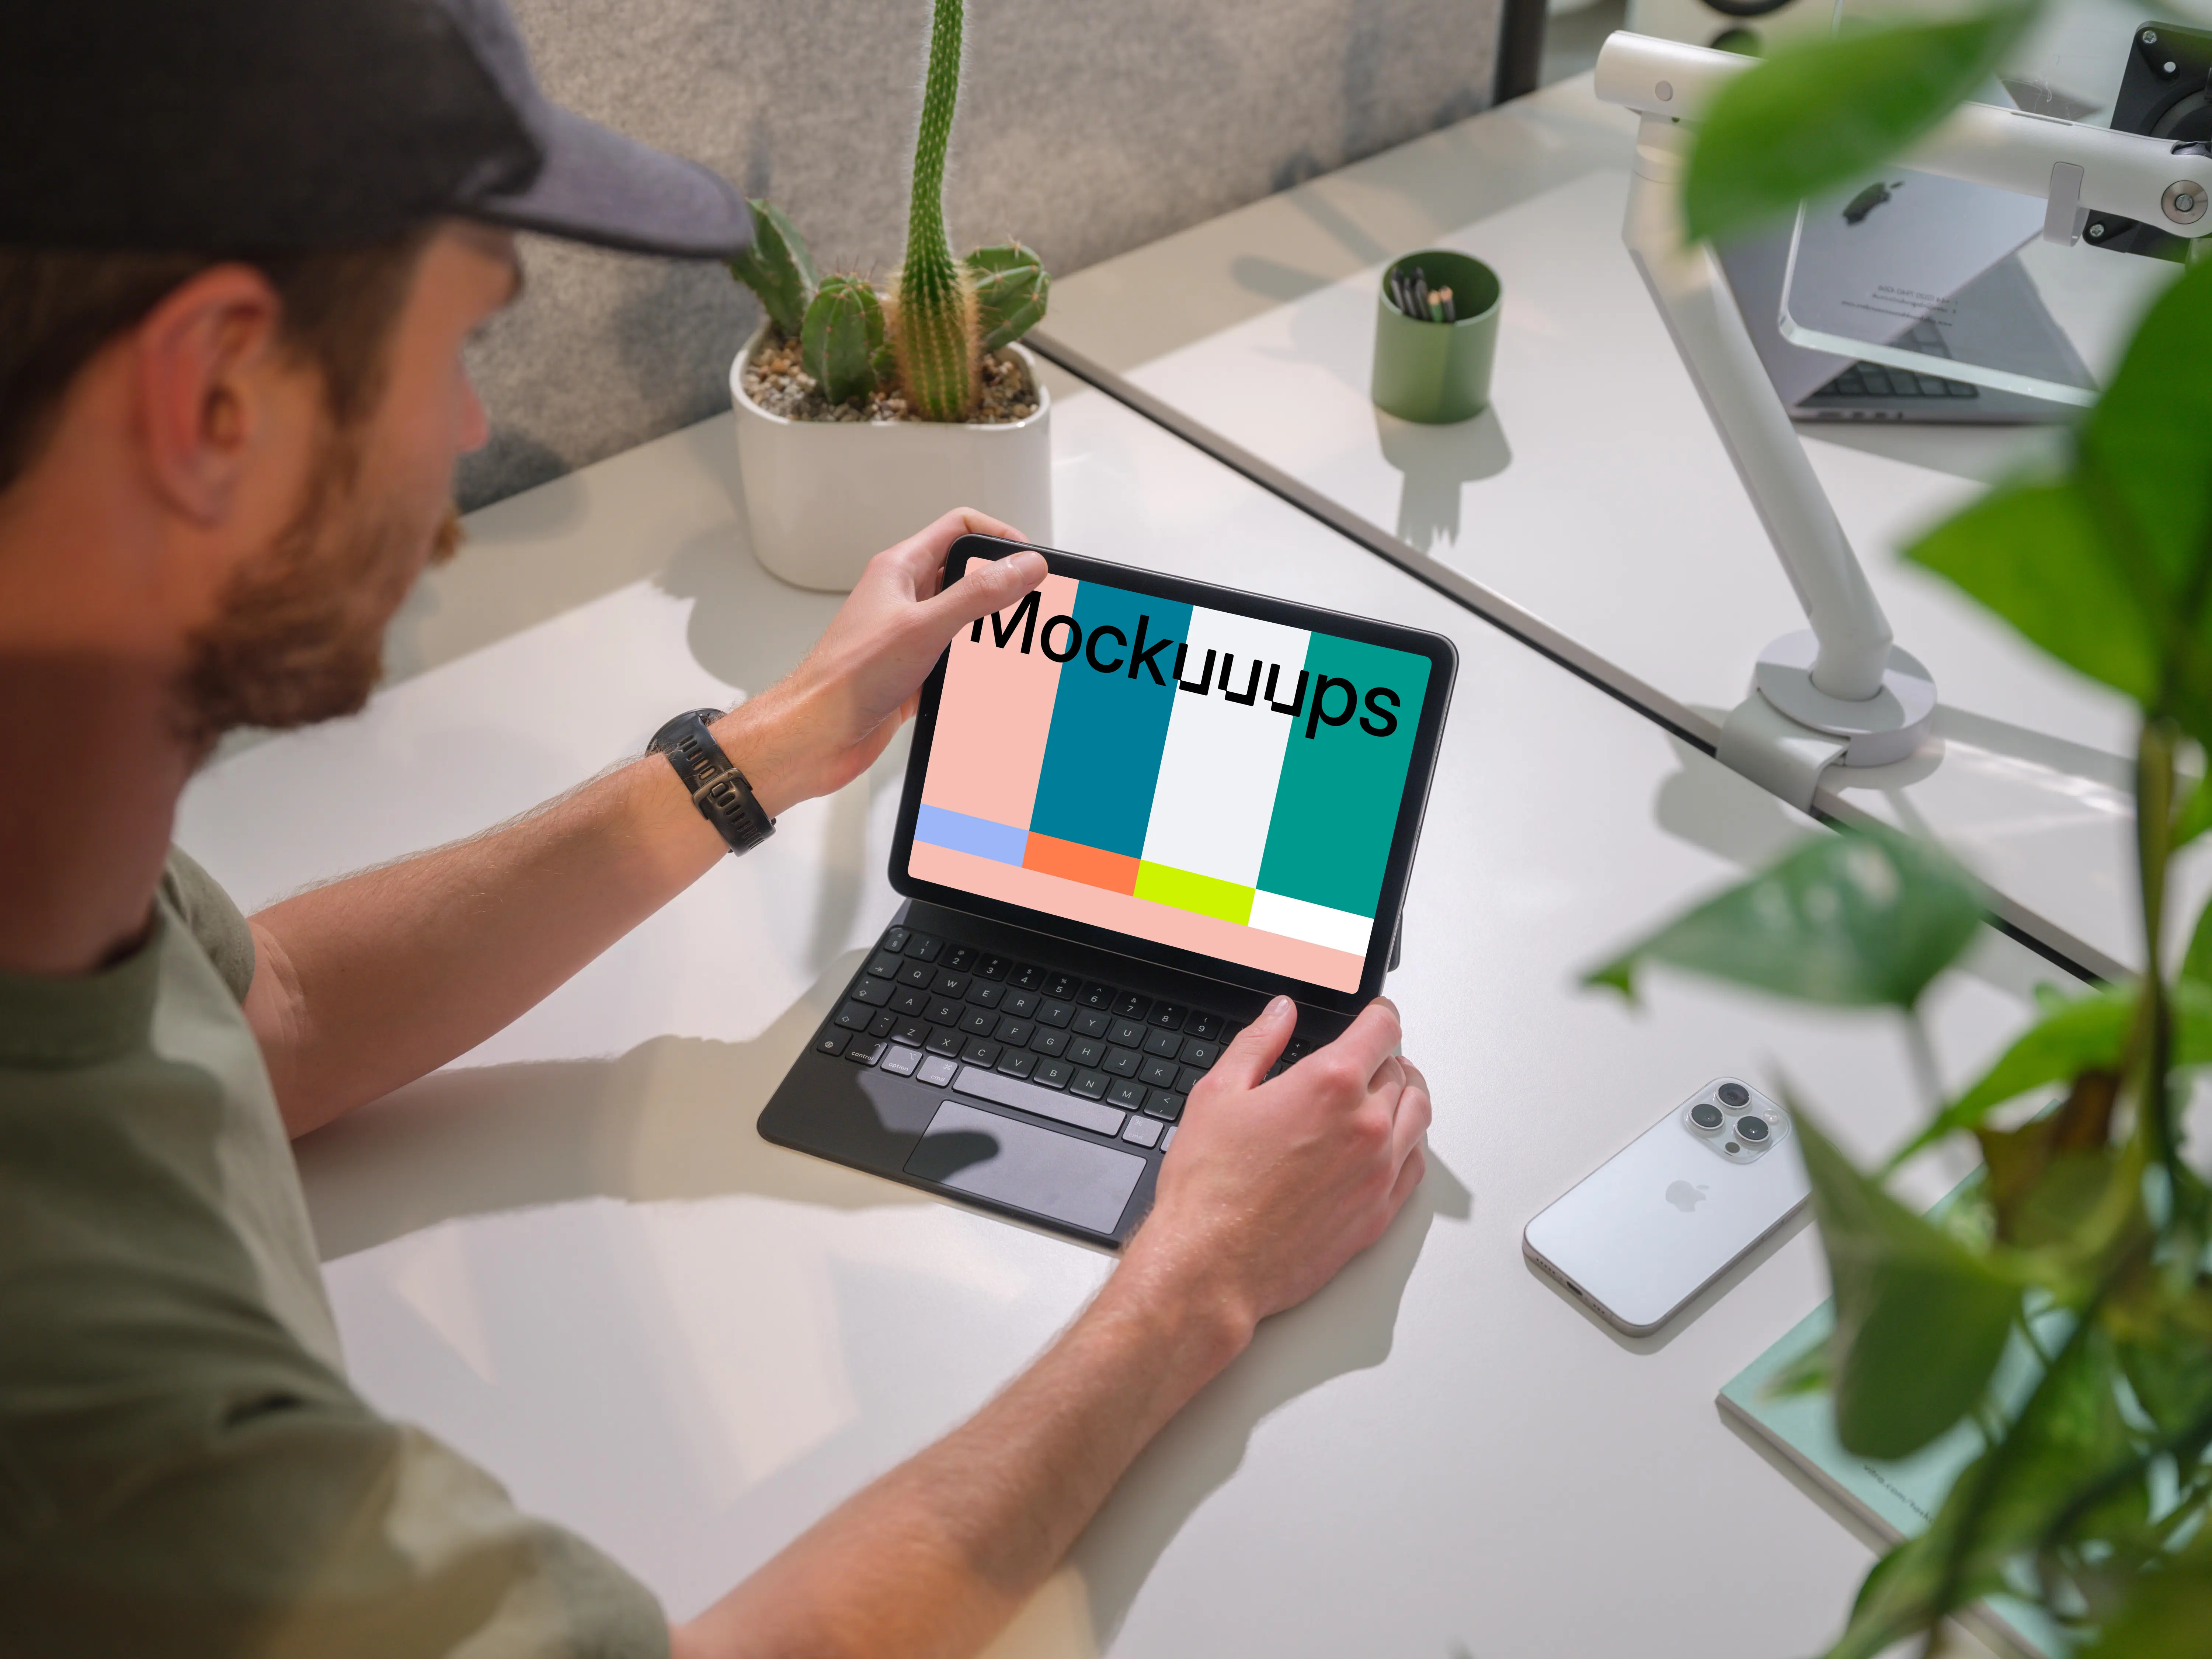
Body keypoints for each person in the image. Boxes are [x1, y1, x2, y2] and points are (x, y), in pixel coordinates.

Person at [0, 1, 1433, 1654]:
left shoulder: (57, 858)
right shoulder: (109, 1435)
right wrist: (1197, 1282)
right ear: (214, 404)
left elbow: (272, 1017)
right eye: (458, 344)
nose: (472, 431)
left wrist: (763, 751)